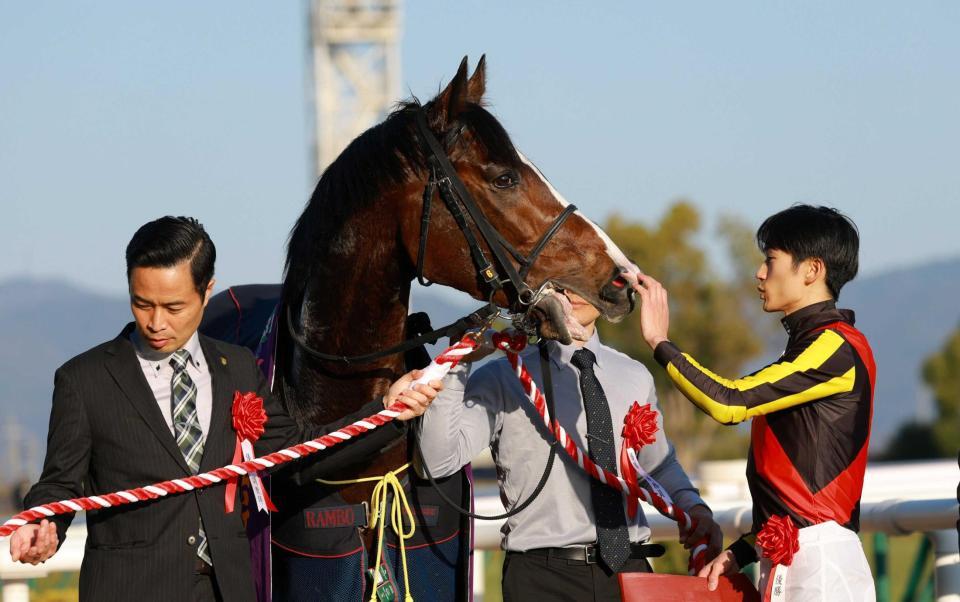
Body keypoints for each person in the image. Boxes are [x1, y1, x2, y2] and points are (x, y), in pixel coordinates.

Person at [9, 216, 443, 602]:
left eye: (174, 306)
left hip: (228, 587)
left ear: (207, 290)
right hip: (131, 586)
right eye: (142, 304)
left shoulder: (237, 367)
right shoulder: (84, 380)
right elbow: (59, 483)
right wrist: (44, 523)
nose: (156, 323)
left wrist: (386, 411)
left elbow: (295, 455)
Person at [635, 205, 876, 600]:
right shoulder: (809, 350)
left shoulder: (836, 346)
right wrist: (742, 550)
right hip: (792, 560)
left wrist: (660, 343)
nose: (760, 274)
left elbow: (729, 403)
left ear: (811, 270)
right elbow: (790, 487)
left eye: (771, 260)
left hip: (821, 566)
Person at [418, 290, 722, 601]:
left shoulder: (635, 375)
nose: (572, 292)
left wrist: (694, 509)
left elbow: (657, 466)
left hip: (631, 573)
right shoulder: (503, 376)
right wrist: (457, 365)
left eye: (583, 280)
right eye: (560, 283)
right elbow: (437, 461)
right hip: (541, 580)